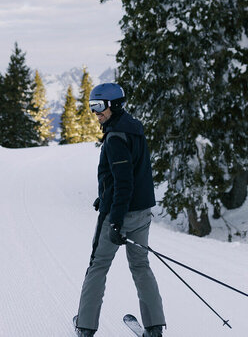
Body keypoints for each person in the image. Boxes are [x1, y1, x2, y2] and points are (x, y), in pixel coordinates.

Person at [74, 83, 165, 337]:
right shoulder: (134, 128)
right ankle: (154, 327)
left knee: (98, 266)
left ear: (113, 105)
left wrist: (114, 220)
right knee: (141, 266)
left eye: (98, 106)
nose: (95, 113)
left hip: (120, 214)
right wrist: (104, 195)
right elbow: (130, 173)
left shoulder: (115, 137)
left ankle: (85, 326)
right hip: (142, 213)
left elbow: (124, 182)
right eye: (92, 107)